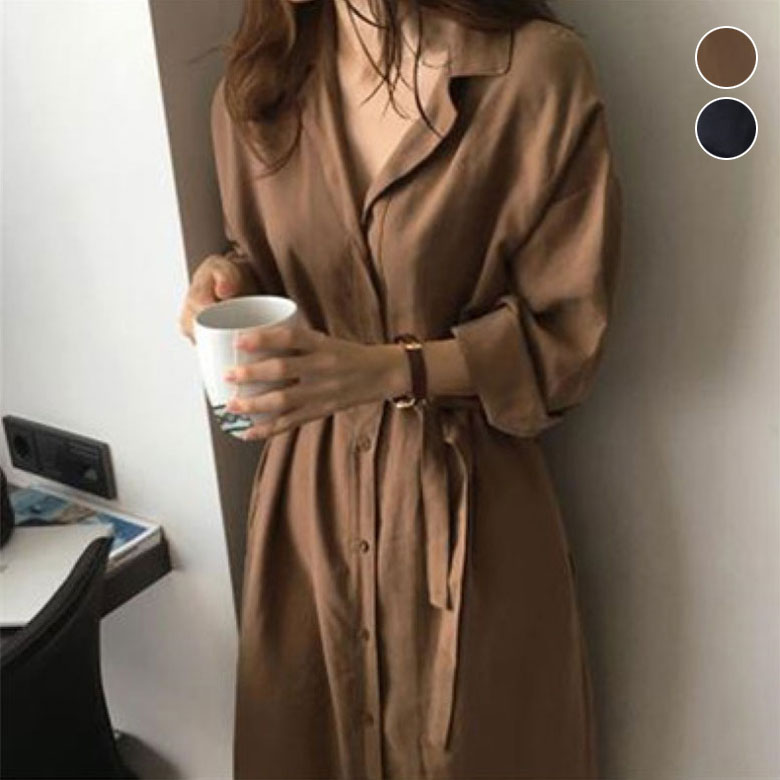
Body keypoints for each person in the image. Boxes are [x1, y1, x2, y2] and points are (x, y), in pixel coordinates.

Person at [179, 0, 623, 777]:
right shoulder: (255, 89)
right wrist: (226, 279)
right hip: (306, 518)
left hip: (466, 510)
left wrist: (389, 369)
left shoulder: (535, 75)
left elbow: (564, 346)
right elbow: (264, 251)